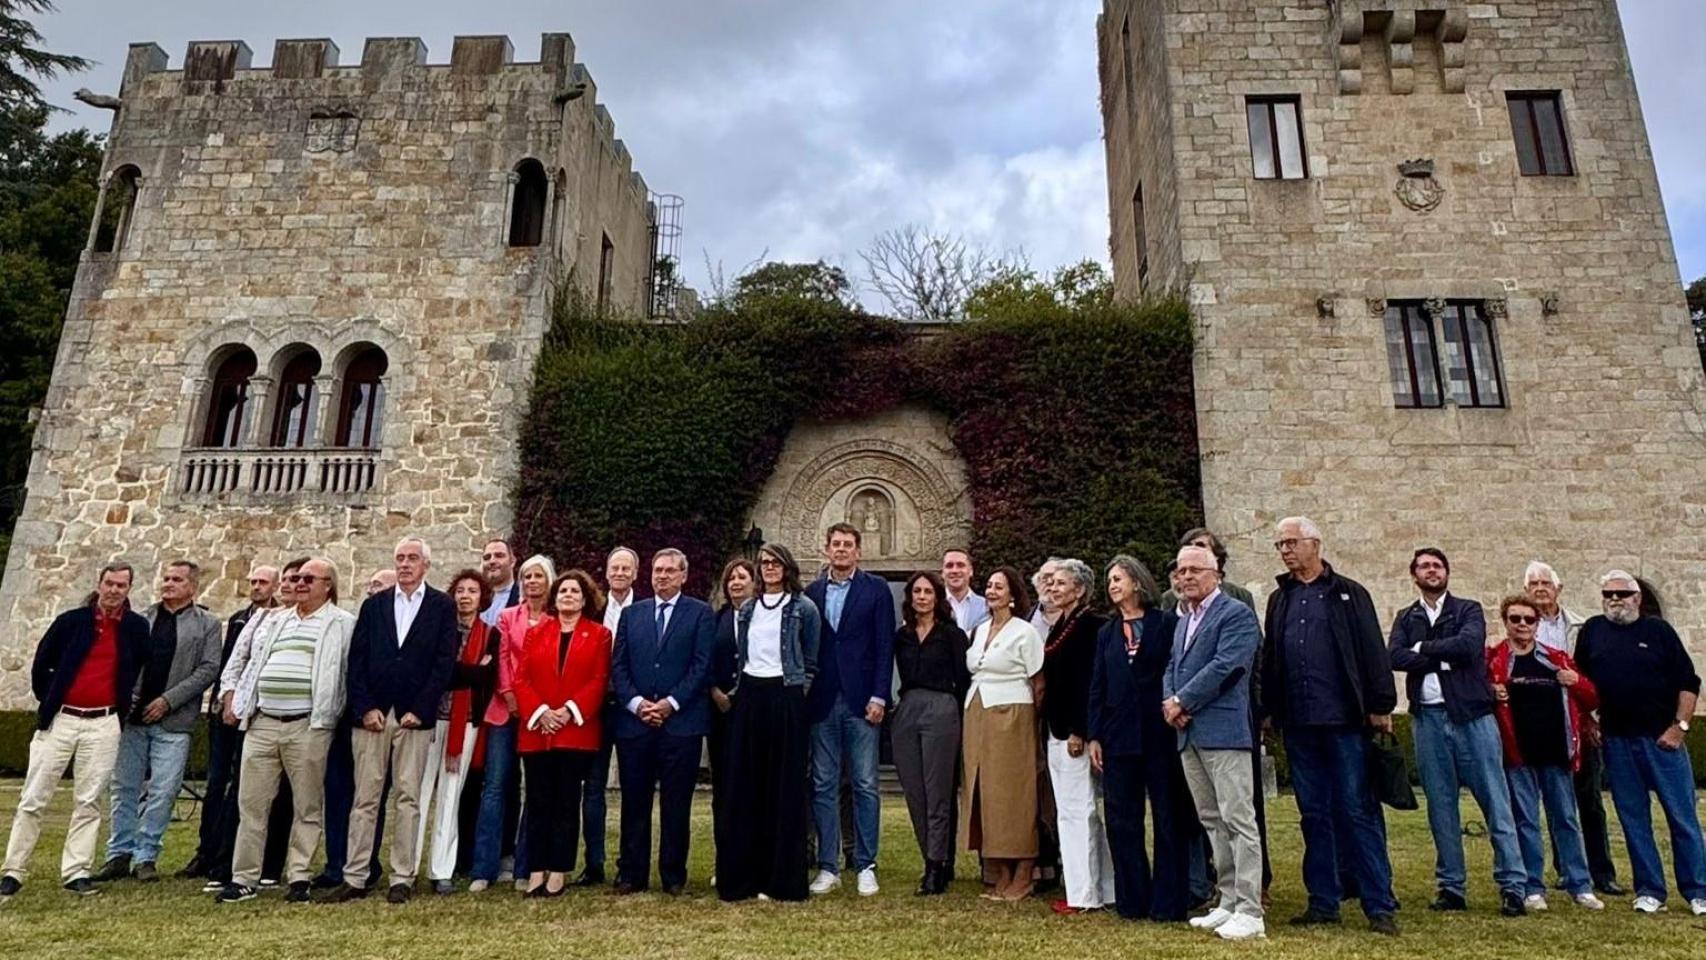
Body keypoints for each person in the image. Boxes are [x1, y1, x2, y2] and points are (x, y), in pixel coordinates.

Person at [1260, 516, 1399, 936]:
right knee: (1313, 813)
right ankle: (1323, 901)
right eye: (1279, 544)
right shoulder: (1279, 599)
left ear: (1314, 544)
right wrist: (1268, 709)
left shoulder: (1349, 594)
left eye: (1291, 543)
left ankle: (1379, 904)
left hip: (1344, 722)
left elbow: (1373, 650)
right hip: (1300, 724)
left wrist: (1380, 705)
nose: (1284, 551)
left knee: (1358, 811)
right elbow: (1271, 658)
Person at [317, 537, 459, 905]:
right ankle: (355, 875)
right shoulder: (375, 605)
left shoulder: (441, 606)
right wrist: (364, 707)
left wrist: (422, 709)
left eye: (412, 558)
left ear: (426, 564)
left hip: (413, 717)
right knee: (365, 798)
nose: (405, 564)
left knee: (408, 798)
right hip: (374, 716)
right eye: (400, 558)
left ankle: (402, 876)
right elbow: (357, 660)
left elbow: (444, 663)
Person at [1387, 548, 1526, 917]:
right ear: (1413, 574)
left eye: (1437, 565)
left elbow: (1468, 648)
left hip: (1472, 716)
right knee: (1441, 805)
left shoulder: (1468, 609)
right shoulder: (1407, 616)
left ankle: (1513, 885)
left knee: (1496, 800)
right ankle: (1451, 886)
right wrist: (1439, 655)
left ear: (1447, 572)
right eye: (1424, 566)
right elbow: (1395, 656)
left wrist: (1424, 650)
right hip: (1428, 719)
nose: (1431, 571)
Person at [1, 562, 149, 900]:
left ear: (129, 589)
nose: (114, 590)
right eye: (109, 583)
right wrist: (52, 698)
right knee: (33, 797)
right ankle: (13, 870)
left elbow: (139, 667)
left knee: (89, 800)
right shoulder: (71, 622)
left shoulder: (136, 629)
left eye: (121, 585)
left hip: (104, 722)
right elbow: (42, 664)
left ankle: (77, 870)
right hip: (62, 719)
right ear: (99, 584)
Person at [216, 558, 355, 903]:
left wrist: (332, 714)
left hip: (308, 725)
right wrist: (237, 699)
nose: (301, 583)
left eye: (309, 578)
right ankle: (244, 876)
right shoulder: (275, 621)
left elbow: (347, 674)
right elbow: (248, 662)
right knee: (251, 804)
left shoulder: (342, 624)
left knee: (306, 807)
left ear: (328, 586)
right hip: (263, 722)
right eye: (297, 578)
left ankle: (299, 877)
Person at [1574, 570, 1706, 916]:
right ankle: (1650, 890)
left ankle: (1698, 891)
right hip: (1617, 742)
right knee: (1633, 820)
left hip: (1662, 741)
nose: (1615, 600)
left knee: (1682, 817)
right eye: (1608, 594)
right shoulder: (1592, 632)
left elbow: (1689, 681)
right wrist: (1588, 721)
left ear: (1637, 598)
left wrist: (1679, 727)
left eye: (1622, 593)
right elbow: (1581, 685)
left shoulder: (1658, 631)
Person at [96, 560, 222, 884]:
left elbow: (208, 669)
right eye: (166, 578)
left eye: (176, 579)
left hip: (174, 721)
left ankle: (146, 856)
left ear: (192, 587)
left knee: (163, 791)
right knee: (124, 787)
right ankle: (118, 854)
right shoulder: (142, 619)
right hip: (134, 720)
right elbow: (126, 661)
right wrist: (132, 696)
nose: (168, 584)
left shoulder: (207, 624)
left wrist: (169, 701)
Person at [1165, 545, 1265, 941]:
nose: (1185, 576)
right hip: (1188, 732)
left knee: (1239, 819)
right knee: (1211, 819)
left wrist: (1181, 700)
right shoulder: (1183, 619)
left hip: (1223, 732)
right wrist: (1170, 700)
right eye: (1181, 570)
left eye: (1194, 570)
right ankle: (1226, 901)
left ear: (1216, 575)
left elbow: (1227, 666)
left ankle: (1250, 910)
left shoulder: (1236, 614)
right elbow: (1173, 666)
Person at [1485, 594, 1605, 911]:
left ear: (1537, 624)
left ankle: (1580, 884)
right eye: (1515, 619)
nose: (1522, 625)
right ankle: (1532, 886)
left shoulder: (1557, 658)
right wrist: (1492, 691)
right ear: (1506, 622)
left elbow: (1592, 699)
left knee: (1565, 819)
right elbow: (1477, 696)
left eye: (1529, 619)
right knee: (1526, 821)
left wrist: (1576, 681)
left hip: (1556, 752)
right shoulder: (1494, 660)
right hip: (1518, 754)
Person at [1088, 555, 1191, 922]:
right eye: (1110, 580)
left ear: (1137, 581)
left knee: (1168, 817)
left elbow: (1178, 670)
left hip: (1160, 734)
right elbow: (1097, 686)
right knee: (1122, 819)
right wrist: (1094, 735)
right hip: (1118, 738)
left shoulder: (1166, 624)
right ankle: (1132, 898)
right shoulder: (1106, 633)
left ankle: (1169, 901)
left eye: (1118, 578)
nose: (1113, 585)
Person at [717, 543, 821, 902]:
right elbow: (744, 654)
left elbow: (810, 662)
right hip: (750, 696)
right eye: (764, 563)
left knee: (784, 788)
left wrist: (795, 696)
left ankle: (783, 881)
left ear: (787, 567)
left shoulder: (803, 608)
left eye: (776, 563)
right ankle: (744, 877)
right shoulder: (748, 609)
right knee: (746, 786)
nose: (770, 568)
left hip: (786, 696)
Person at [610, 548, 715, 895]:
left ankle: (672, 874)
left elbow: (701, 666)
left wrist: (670, 703)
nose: (663, 576)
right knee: (634, 802)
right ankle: (631, 874)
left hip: (680, 725)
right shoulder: (632, 615)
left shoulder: (700, 613)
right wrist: (638, 704)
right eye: (657, 570)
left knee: (676, 803)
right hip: (636, 725)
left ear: (684, 575)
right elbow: (619, 666)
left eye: (670, 570)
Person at [804, 523, 896, 896]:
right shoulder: (811, 592)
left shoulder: (876, 590)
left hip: (862, 701)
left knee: (865, 784)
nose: (841, 550)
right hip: (823, 701)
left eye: (848, 545)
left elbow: (884, 646)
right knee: (823, 784)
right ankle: (828, 866)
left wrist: (880, 695)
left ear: (858, 551)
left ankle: (865, 864)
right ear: (826, 550)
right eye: (835, 544)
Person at [1524, 560, 1623, 897]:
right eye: (1533, 583)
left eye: (1545, 583)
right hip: (1543, 726)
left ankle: (1602, 873)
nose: (1540, 588)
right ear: (1526, 591)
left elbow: (1596, 677)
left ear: (1558, 589)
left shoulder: (1582, 628)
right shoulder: (1521, 628)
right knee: (1555, 801)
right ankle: (1566, 870)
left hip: (1579, 721)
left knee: (1590, 800)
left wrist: (1592, 716)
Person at [514, 569, 611, 897]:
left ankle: (558, 870)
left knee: (566, 802)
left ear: (585, 599)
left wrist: (568, 711)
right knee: (538, 801)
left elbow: (598, 680)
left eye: (575, 591)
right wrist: (542, 713)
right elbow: (521, 679)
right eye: (563, 591)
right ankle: (536, 870)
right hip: (538, 732)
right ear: (555, 599)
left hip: (575, 732)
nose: (568, 595)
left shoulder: (599, 635)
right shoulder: (536, 633)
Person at [181, 565, 280, 883]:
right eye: (253, 581)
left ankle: (240, 855)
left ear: (275, 586)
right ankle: (207, 852)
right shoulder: (240, 618)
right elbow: (230, 662)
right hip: (228, 710)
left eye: (263, 582)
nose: (256, 587)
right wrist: (224, 699)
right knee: (216, 784)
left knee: (246, 788)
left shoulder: (279, 618)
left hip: (255, 713)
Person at [472, 553, 556, 892]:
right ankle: (484, 868)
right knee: (494, 787)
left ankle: (526, 866)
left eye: (538, 576)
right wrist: (509, 694)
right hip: (505, 709)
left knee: (534, 790)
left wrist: (536, 705)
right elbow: (504, 657)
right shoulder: (508, 617)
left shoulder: (556, 619)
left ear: (549, 581)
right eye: (526, 576)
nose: (532, 581)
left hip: (540, 712)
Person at [414, 569, 500, 895]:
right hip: (430, 719)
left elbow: (486, 679)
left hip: (465, 723)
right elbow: (436, 672)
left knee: (451, 796)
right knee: (419, 794)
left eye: (472, 591)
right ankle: (407, 867)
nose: (465, 596)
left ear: (482, 598)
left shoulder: (490, 634)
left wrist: (461, 672)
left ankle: (442, 869)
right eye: (460, 590)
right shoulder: (438, 630)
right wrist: (469, 671)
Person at [961, 566, 1044, 902]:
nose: (992, 591)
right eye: (989, 586)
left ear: (1013, 594)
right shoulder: (979, 631)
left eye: (999, 586)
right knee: (984, 791)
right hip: (977, 709)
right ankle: (1001, 870)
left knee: (1013, 793)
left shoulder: (1024, 632)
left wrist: (1033, 725)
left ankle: (1025, 869)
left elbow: (1038, 683)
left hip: (1012, 712)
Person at [313, 566, 395, 891]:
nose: (372, 589)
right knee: (337, 793)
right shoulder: (351, 623)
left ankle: (365, 863)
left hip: (377, 723)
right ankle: (336, 864)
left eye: (380, 585)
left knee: (370, 796)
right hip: (346, 719)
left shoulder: (397, 630)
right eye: (371, 584)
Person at [1041, 558, 1114, 914]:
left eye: (1060, 583)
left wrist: (1078, 730)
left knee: (1077, 811)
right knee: (1074, 810)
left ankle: (1084, 893)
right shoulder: (1062, 626)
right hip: (1056, 728)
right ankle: (1098, 887)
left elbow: (1087, 682)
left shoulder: (1090, 627)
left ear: (1080, 589)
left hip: (1074, 732)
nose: (1052, 588)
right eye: (1050, 583)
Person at [890, 570, 969, 896]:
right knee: (915, 792)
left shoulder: (952, 635)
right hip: (908, 708)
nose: (921, 597)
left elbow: (963, 680)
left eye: (928, 592)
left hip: (942, 708)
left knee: (938, 792)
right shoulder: (902, 636)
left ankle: (937, 865)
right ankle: (932, 856)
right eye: (916, 592)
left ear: (938, 598)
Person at [582, 544, 640, 887]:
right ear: (606, 572)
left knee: (634, 788)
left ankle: (628, 864)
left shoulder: (645, 611)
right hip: (597, 708)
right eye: (614, 568)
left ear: (635, 573)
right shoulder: (593, 612)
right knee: (593, 787)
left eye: (625, 569)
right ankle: (594, 863)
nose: (619, 574)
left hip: (631, 708)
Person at [708, 558, 758, 878]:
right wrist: (716, 692)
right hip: (721, 713)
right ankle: (726, 860)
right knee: (724, 789)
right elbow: (704, 660)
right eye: (731, 578)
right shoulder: (716, 619)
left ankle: (755, 858)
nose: (736, 583)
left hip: (754, 711)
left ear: (755, 582)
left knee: (754, 785)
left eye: (742, 577)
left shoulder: (767, 617)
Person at [942, 549, 988, 632]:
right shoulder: (933, 605)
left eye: (960, 565)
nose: (955, 570)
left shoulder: (986, 607)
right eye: (949, 566)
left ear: (970, 571)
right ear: (942, 572)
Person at [480, 538, 520, 626]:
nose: (492, 561)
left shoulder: (523, 597)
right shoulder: (479, 598)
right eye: (487, 558)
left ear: (512, 561)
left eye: (499, 556)